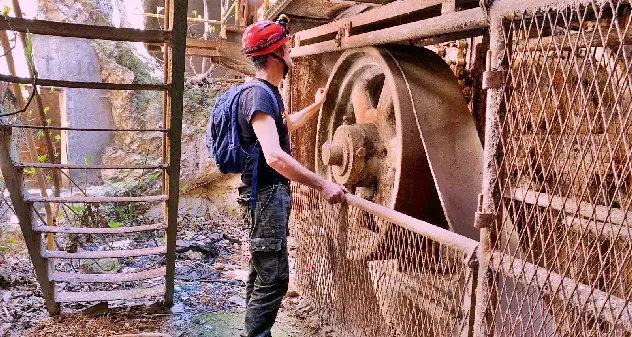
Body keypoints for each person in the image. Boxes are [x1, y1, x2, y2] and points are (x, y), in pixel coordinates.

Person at [237, 15, 348, 337]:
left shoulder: (266, 93)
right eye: (286, 49)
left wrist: (317, 105)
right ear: (273, 55)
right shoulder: (259, 95)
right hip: (266, 194)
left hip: (265, 194)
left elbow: (286, 126)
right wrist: (323, 183)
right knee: (274, 278)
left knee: (261, 272)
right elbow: (273, 155)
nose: (290, 55)